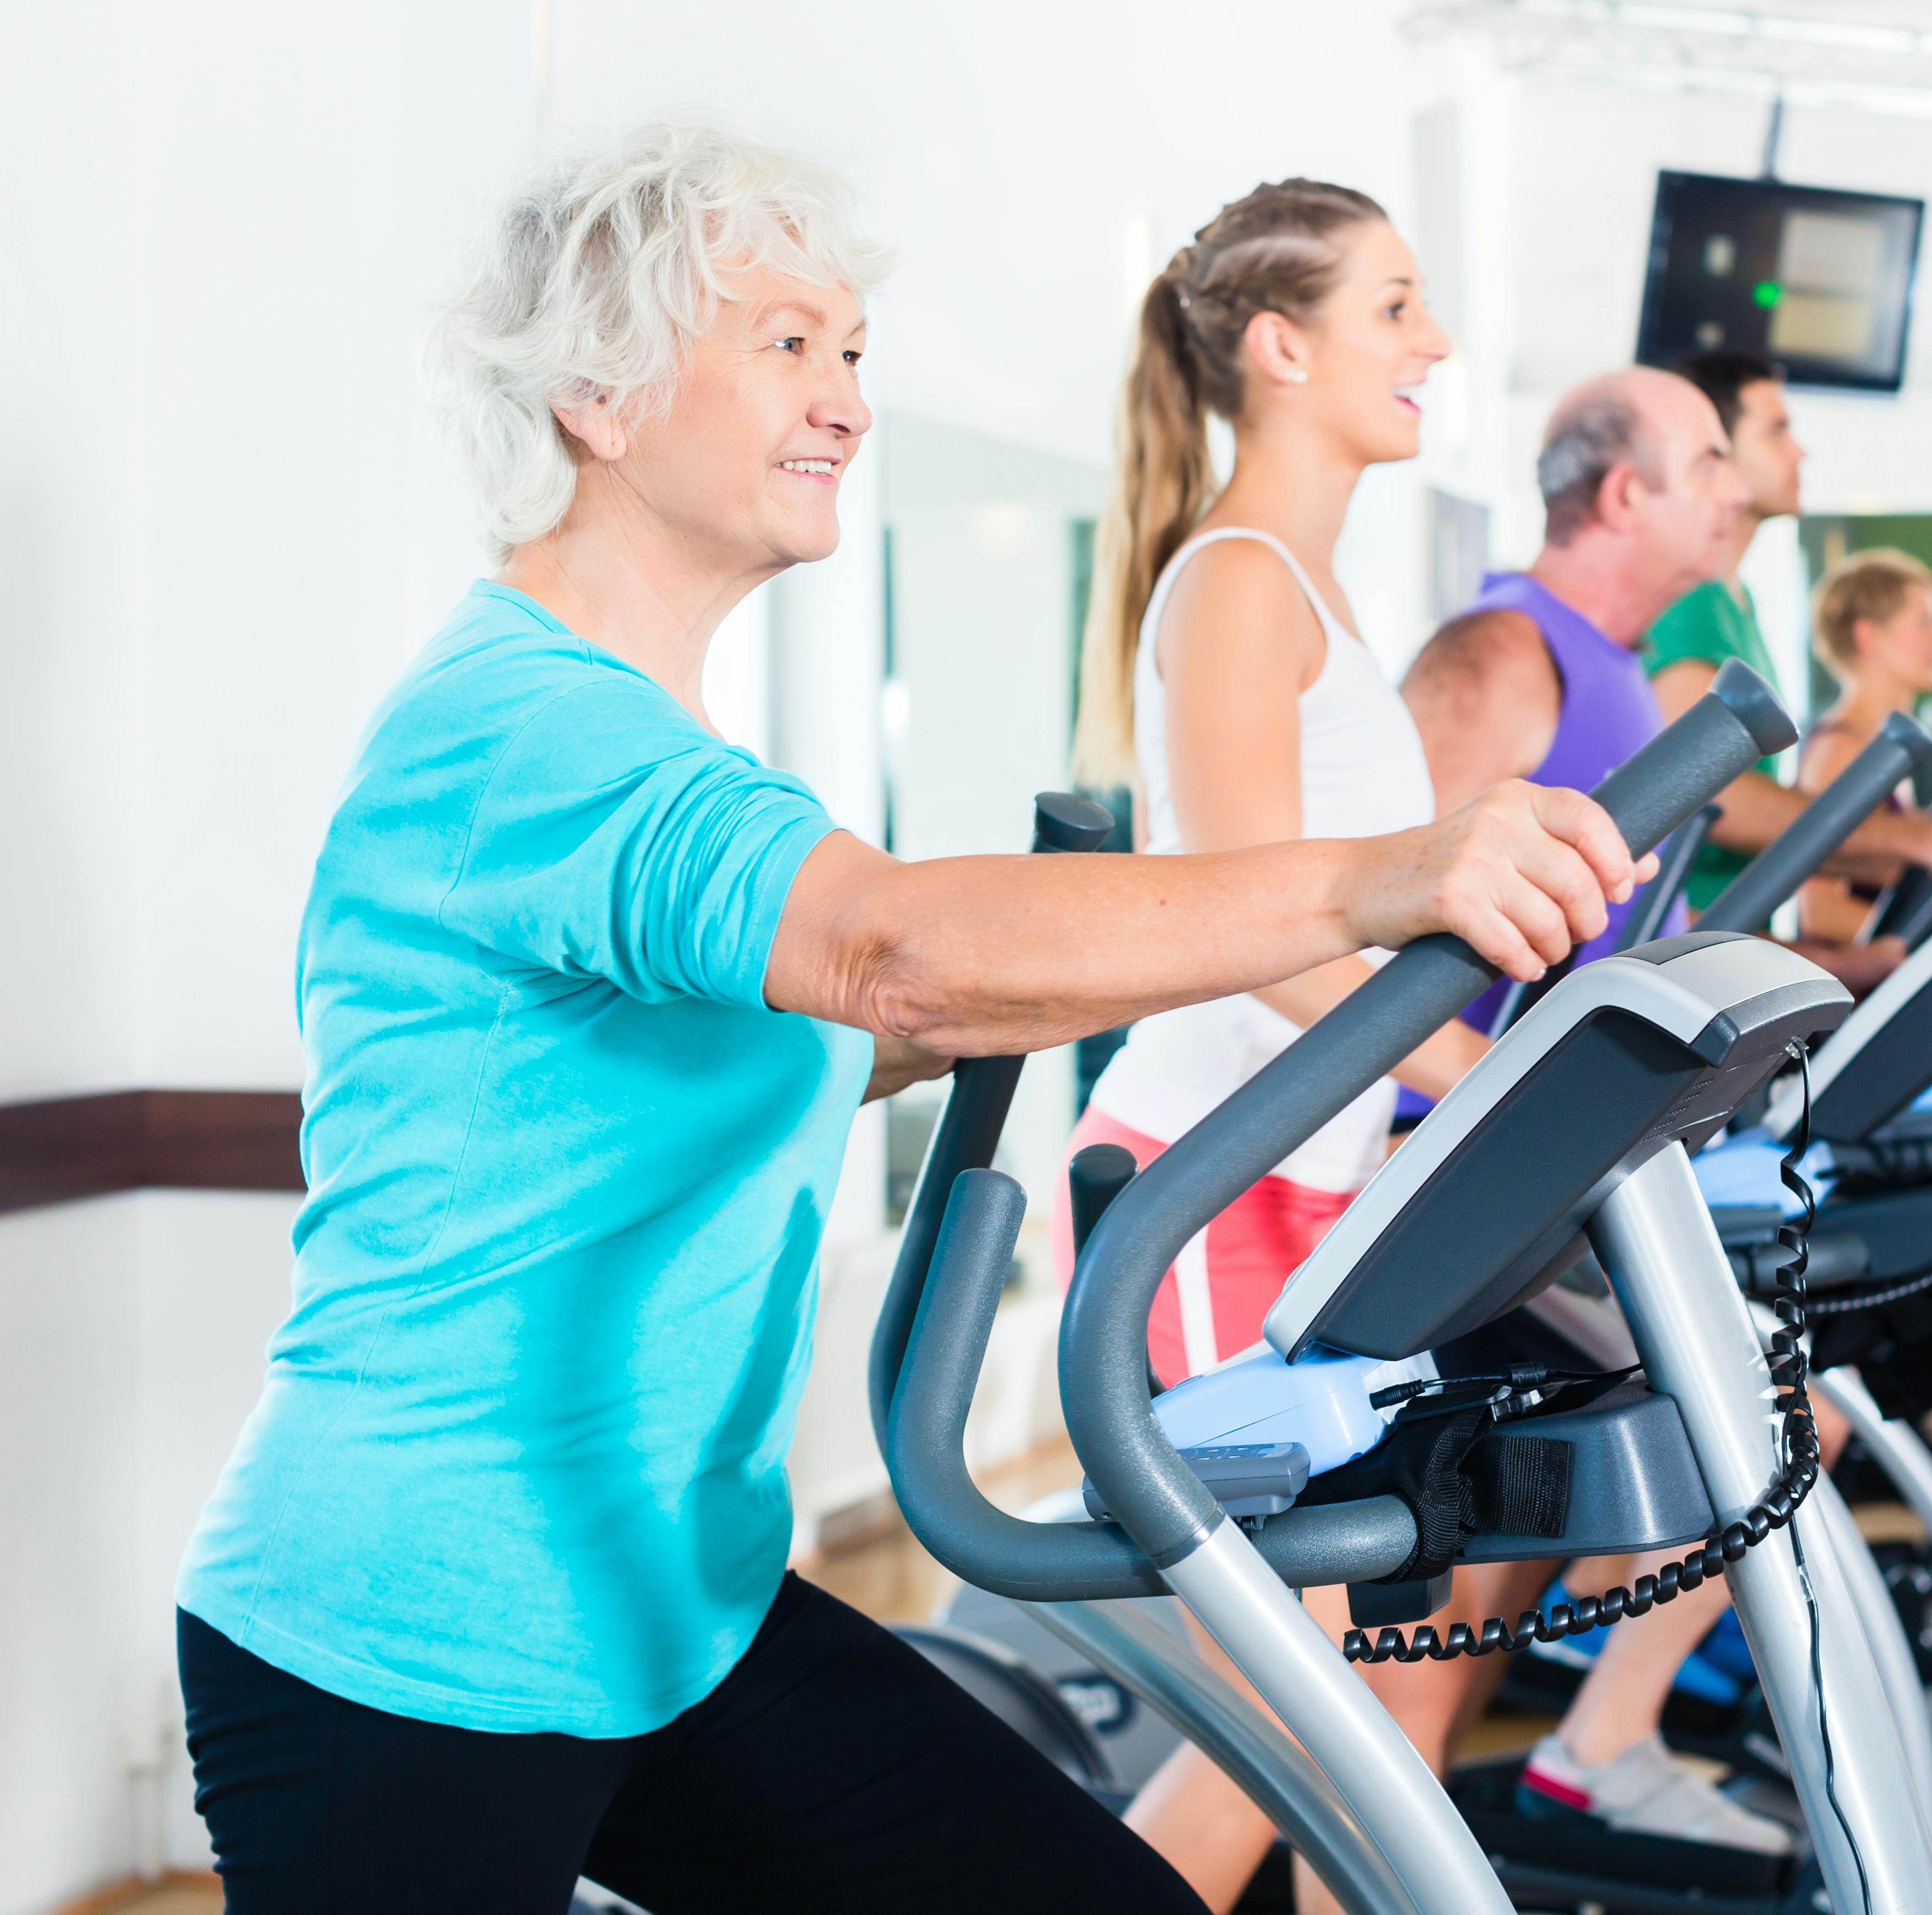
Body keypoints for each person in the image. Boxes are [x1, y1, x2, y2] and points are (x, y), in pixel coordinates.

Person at [170, 120, 1652, 1915]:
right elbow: (887, 951)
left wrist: (1048, 965)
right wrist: (1373, 880)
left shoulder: (649, 746)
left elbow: (848, 1019)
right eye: (782, 340)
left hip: (672, 1610)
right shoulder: (518, 729)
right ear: (595, 394)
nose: (846, 400)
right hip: (407, 1639)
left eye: (851, 351)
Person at [1052, 179, 1587, 1915]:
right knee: (1279, 1732)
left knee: (1380, 1695)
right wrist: (1476, 1077)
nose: (1429, 342)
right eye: (1392, 307)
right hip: (1202, 1195)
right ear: (1278, 349)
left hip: (1303, 1181)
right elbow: (1239, 921)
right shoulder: (1230, 583)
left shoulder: (1307, 593)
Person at [1397, 367, 1813, 1857]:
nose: (1733, 487)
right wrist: (1459, 1110)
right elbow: (1382, 951)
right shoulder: (1508, 652)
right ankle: (1511, 1784)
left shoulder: (1623, 671)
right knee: (1760, 1411)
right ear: (1622, 492)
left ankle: (1530, 1772)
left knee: (1536, 1524)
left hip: (1539, 1170)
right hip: (1426, 1175)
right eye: (1705, 460)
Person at [1642, 348, 1932, 976]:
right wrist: (1919, 842)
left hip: (1738, 947)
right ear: (1714, 448)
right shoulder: (1682, 601)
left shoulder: (1738, 605)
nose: (1800, 453)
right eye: (1776, 431)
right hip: (1688, 964)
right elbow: (1708, 797)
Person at [1794, 547, 1932, 944]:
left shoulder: (1880, 747)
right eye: (1924, 621)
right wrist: (1930, 944)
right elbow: (1819, 911)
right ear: (1868, 635)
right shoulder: (1840, 752)